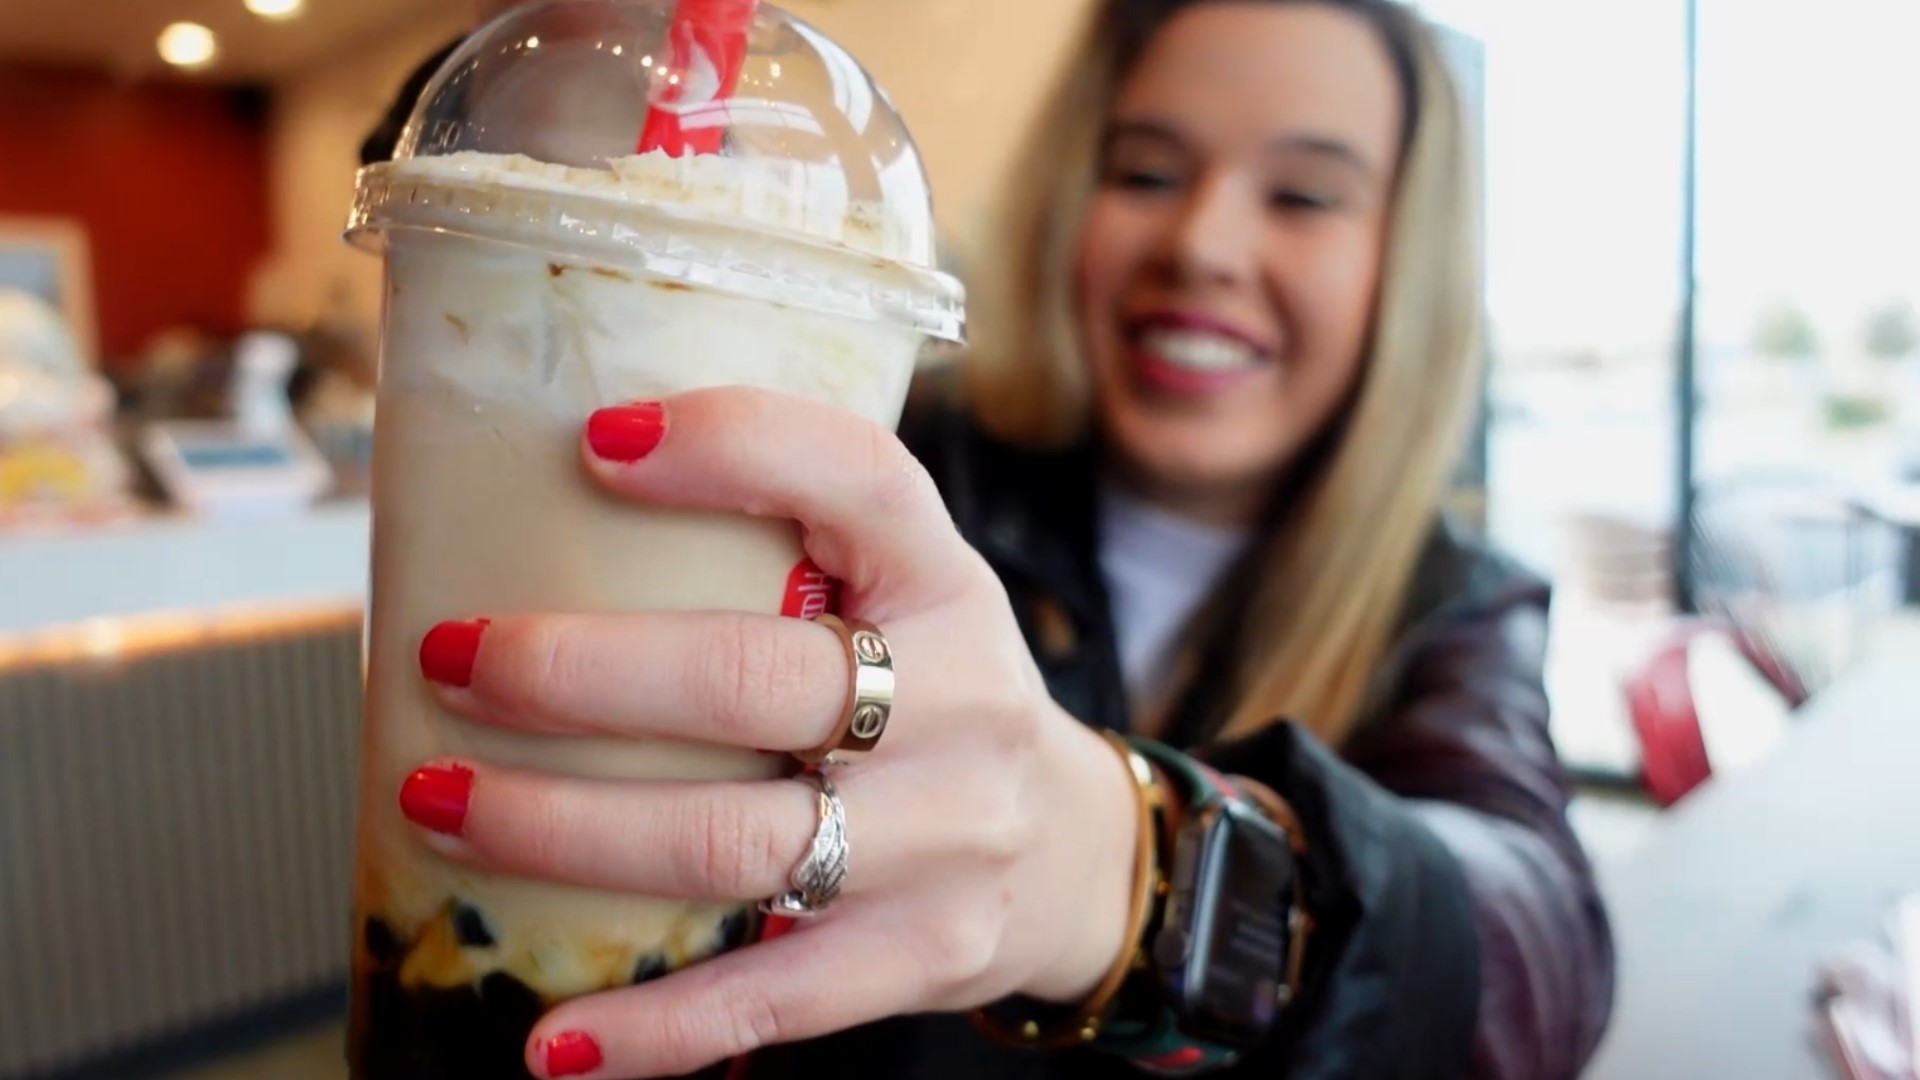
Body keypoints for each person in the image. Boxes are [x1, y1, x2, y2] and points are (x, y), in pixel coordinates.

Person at [367, 0, 1615, 1077]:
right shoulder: (892, 461)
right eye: (1145, 171)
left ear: (1409, 261)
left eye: (1302, 195)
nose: (1204, 245)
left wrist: (1122, 872)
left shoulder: (1457, 613)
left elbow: (1532, 956)